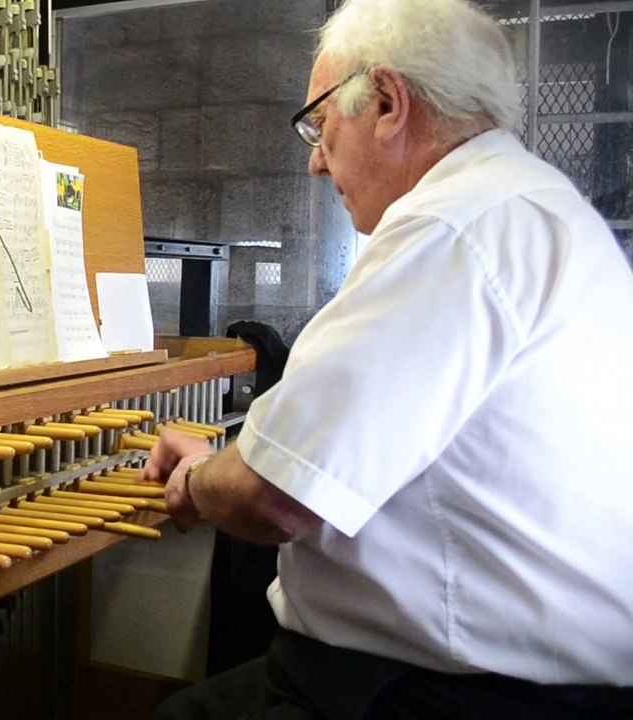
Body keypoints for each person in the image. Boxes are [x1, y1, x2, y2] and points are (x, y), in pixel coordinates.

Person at [147, 0, 633, 717]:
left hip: (447, 692)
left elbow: (273, 499)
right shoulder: (538, 205)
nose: (316, 159)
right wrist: (234, 460)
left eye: (320, 125)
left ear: (385, 102)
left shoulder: (452, 224)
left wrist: (197, 476)